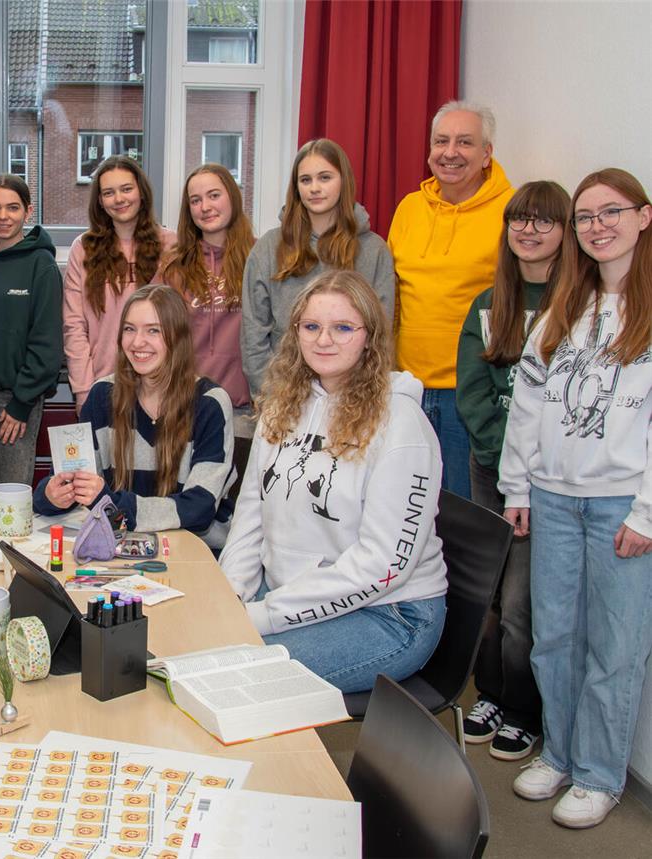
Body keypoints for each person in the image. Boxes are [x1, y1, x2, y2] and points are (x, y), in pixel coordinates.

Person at [500, 169, 652, 829]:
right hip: (554, 500)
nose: (596, 226)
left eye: (610, 212)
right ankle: (560, 754)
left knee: (614, 647)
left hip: (622, 504)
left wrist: (648, 512)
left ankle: (599, 774)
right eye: (586, 216)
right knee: (553, 637)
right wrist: (518, 484)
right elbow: (527, 406)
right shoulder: (566, 306)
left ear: (643, 217)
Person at [220, 271, 447, 694]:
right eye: (311, 327)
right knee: (197, 644)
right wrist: (232, 594)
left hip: (388, 614)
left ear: (369, 337)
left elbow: (382, 567)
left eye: (343, 328)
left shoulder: (402, 425)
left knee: (238, 677)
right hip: (291, 592)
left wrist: (265, 615)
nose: (324, 340)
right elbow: (250, 515)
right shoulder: (284, 406)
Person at [456, 181, 570, 761]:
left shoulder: (578, 303)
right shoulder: (487, 304)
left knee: (523, 600)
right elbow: (473, 392)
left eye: (543, 221)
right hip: (490, 469)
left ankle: (525, 708)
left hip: (545, 478)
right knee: (489, 591)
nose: (528, 230)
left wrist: (526, 466)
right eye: (519, 220)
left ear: (564, 230)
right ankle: (491, 692)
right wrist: (503, 458)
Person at [35, 284, 234, 545]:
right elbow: (65, 481)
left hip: (194, 550)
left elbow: (200, 508)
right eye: (129, 329)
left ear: (178, 337)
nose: (137, 342)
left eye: (153, 330)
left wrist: (111, 503)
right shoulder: (101, 396)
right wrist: (51, 496)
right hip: (118, 545)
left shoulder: (210, 404)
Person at [388, 101, 514, 499]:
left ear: (487, 153)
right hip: (406, 389)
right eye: (441, 141)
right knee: (406, 512)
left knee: (463, 516)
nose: (450, 152)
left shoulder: (510, 211)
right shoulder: (409, 208)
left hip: (471, 394)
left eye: (465, 142)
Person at [240, 138, 393, 395]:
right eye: (305, 180)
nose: (314, 188)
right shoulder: (268, 248)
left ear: (343, 181)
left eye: (324, 178)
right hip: (283, 396)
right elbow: (253, 336)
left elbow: (381, 335)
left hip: (352, 398)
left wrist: (357, 400)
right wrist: (274, 399)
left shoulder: (374, 250)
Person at [0, 174, 62, 502]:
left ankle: (10, 554)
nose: (3, 216)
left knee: (10, 495)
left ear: (28, 211)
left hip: (17, 400)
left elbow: (47, 342)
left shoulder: (42, 265)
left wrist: (21, 404)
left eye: (12, 208)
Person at [63, 156, 176, 412]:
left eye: (127, 189)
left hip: (161, 388)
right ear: (100, 202)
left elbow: (180, 323)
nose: (119, 199)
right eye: (109, 193)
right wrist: (83, 390)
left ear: (141, 193)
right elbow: (74, 326)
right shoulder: (83, 249)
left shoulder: (171, 246)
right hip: (102, 388)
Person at [161, 162, 256, 421]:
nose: (205, 207)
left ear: (232, 197)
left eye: (214, 195)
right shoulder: (173, 266)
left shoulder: (259, 258)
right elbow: (159, 334)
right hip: (188, 406)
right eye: (195, 200)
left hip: (248, 409)